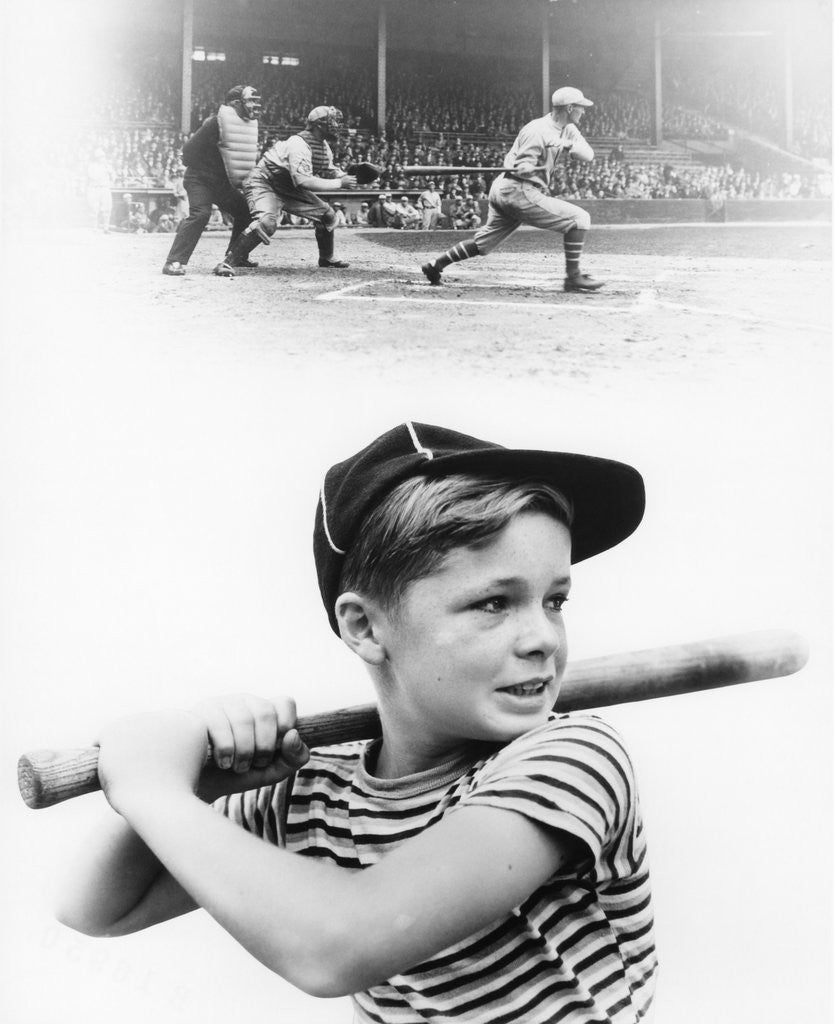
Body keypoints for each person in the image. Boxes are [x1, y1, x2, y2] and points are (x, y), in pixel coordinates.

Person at [55, 420, 657, 1023]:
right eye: (494, 603)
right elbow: (95, 908)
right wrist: (193, 782)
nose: (543, 638)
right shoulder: (312, 787)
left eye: (555, 600)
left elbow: (338, 947)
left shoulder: (571, 756)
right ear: (365, 628)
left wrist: (152, 791)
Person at [421, 87, 604, 292]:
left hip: (508, 189)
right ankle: (573, 277)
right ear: (569, 108)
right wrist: (528, 163)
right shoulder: (537, 130)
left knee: (483, 244)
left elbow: (588, 154)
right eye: (580, 107)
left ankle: (435, 266)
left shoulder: (567, 128)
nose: (584, 111)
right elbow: (522, 167)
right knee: (580, 219)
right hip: (517, 188)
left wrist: (566, 145)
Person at [214, 106, 356, 277]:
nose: (336, 125)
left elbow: (330, 169)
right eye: (332, 121)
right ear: (319, 125)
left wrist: (349, 177)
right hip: (264, 181)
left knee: (328, 216)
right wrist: (340, 183)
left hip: (288, 186)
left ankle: (327, 257)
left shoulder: (323, 146)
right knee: (267, 223)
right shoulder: (299, 144)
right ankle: (227, 262)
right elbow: (304, 181)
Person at [161, 85, 262, 277]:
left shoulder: (243, 126)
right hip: (200, 178)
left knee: (246, 212)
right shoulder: (215, 123)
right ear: (234, 103)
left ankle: (236, 255)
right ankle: (174, 261)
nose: (253, 105)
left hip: (220, 182)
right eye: (249, 101)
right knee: (200, 214)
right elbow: (187, 152)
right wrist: (206, 166)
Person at [85, 147, 113, 232]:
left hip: (105, 188)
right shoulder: (92, 166)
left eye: (103, 157)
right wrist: (104, 173)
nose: (102, 158)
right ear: (96, 158)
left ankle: (106, 228)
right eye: (100, 157)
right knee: (94, 209)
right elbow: (93, 177)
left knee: (107, 208)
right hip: (95, 188)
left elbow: (113, 177)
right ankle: (94, 227)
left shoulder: (108, 166)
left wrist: (110, 173)